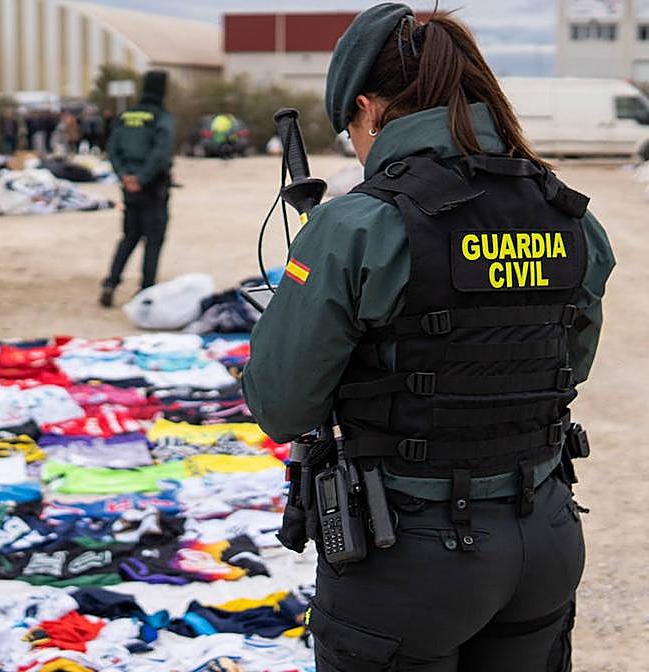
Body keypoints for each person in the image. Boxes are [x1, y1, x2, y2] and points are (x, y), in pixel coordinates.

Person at [243, 5, 615, 672]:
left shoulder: (354, 225)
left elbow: (282, 406)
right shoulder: (567, 212)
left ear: (368, 110)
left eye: (349, 130)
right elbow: (569, 364)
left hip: (406, 561)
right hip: (546, 537)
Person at [99, 70, 175, 307]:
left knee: (129, 236)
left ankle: (111, 282)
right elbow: (160, 152)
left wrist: (125, 176)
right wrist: (142, 178)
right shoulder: (161, 117)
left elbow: (112, 148)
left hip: (129, 188)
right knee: (153, 240)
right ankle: (145, 291)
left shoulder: (126, 115)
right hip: (153, 187)